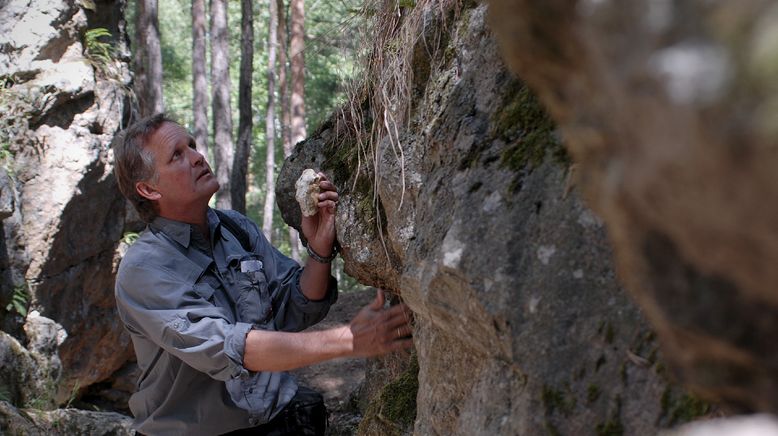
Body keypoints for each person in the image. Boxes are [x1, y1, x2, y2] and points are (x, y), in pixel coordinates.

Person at [112, 114, 413, 435]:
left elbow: (294, 306)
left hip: (278, 420)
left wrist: (319, 249)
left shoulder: (235, 229)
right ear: (149, 189)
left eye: (193, 146)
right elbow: (229, 349)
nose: (198, 157)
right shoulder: (145, 269)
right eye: (177, 155)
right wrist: (349, 340)